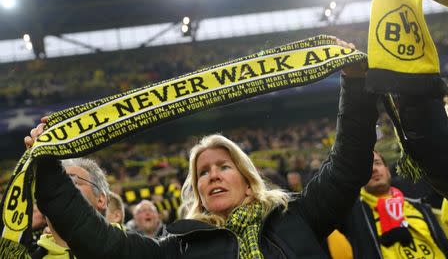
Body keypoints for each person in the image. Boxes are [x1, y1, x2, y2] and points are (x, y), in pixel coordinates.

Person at [29, 38, 379, 258]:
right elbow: (101, 243)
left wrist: (355, 83)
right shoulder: (179, 247)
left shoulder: (298, 216)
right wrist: (47, 170)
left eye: (223, 166)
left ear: (246, 177)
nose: (212, 175)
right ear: (197, 190)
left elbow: (348, 165)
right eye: (202, 173)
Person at [338, 151, 448, 259]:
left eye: (377, 163)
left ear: (387, 170)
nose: (373, 169)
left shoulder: (420, 207)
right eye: (365, 166)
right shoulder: (352, 215)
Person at [30, 158, 110, 259]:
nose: (55, 192)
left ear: (101, 199)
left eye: (71, 182)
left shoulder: (131, 248)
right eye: (50, 186)